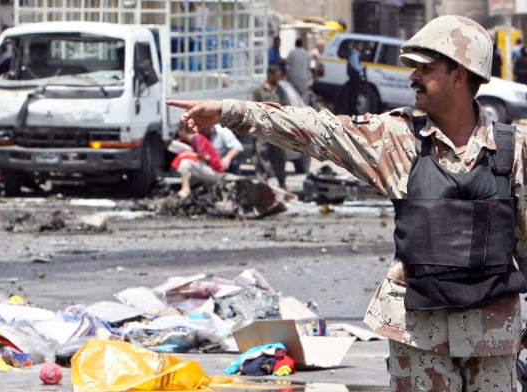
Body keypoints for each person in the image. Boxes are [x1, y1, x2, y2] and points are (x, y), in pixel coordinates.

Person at [168, 15, 527, 390]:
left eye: (427, 67)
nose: (413, 76)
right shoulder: (397, 138)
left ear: (460, 75)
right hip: (419, 333)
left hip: (491, 335)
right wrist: (228, 112)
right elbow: (315, 129)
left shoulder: (511, 149)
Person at [251, 62, 288, 190]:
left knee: (279, 157)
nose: (279, 78)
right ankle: (263, 184)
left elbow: (286, 108)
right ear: (270, 74)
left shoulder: (280, 91)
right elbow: (252, 108)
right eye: (277, 75)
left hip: (277, 130)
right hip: (262, 130)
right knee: (261, 155)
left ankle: (282, 182)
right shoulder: (259, 91)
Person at [173, 124, 223, 198]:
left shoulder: (197, 138)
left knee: (185, 162)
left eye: (179, 132)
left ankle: (185, 189)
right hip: (209, 170)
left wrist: (188, 154)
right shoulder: (191, 140)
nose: (178, 134)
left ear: (183, 131)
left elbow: (206, 157)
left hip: (214, 172)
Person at [285, 38, 310, 104]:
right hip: (303, 79)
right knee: (303, 99)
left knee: (292, 98)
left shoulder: (292, 53)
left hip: (292, 79)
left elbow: (287, 66)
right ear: (302, 44)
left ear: (295, 44)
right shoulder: (306, 53)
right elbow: (308, 67)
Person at [347, 41, 365, 115]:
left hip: (356, 76)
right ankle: (352, 111)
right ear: (356, 46)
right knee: (353, 95)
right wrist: (363, 67)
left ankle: (353, 110)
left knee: (355, 94)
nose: (361, 47)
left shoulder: (357, 54)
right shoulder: (354, 54)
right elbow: (356, 67)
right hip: (354, 77)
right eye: (360, 45)